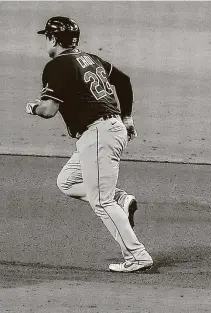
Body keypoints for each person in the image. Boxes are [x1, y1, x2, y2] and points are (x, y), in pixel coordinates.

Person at [26, 16, 153, 272]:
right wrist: (127, 117)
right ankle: (121, 199)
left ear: (52, 38)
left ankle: (137, 257)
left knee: (100, 201)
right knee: (68, 181)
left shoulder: (57, 65)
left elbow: (49, 110)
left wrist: (33, 108)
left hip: (98, 135)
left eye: (47, 38)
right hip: (108, 130)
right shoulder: (91, 59)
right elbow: (124, 80)